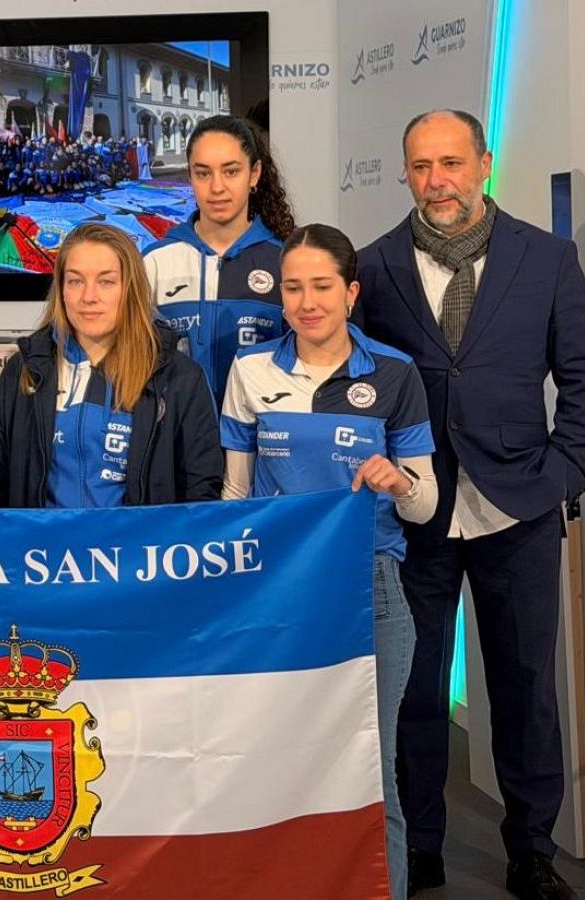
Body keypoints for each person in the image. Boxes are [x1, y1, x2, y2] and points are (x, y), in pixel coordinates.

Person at [356, 109, 585, 900]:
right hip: (416, 516)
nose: (438, 181)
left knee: (526, 687)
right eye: (422, 165)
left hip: (521, 510)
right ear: (405, 172)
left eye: (452, 163)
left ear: (485, 164)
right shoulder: (375, 266)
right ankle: (422, 848)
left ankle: (532, 850)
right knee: (416, 692)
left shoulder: (548, 258)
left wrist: (564, 472)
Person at [220, 224, 438, 900]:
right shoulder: (250, 373)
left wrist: (397, 481)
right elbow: (234, 495)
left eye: (321, 287)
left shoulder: (395, 374)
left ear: (350, 292)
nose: (306, 302)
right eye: (293, 288)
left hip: (369, 590)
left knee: (371, 772)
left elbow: (425, 506)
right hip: (274, 600)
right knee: (272, 769)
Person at [0, 222, 222, 508]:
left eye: (106, 282)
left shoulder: (178, 378)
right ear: (62, 290)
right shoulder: (24, 372)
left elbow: (201, 495)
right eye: (75, 281)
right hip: (43, 550)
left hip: (136, 551)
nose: (88, 297)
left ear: (129, 289)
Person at [143, 115, 296, 408]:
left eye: (231, 171)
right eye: (203, 173)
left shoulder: (285, 262)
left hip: (261, 444)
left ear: (254, 174)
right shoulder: (154, 263)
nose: (217, 187)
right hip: (176, 447)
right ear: (190, 177)